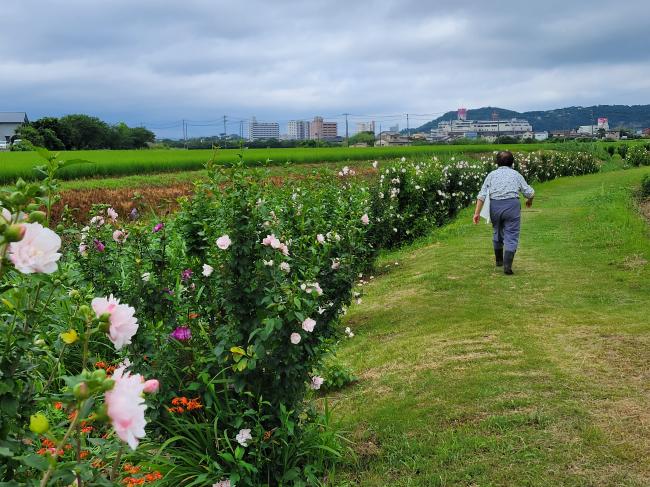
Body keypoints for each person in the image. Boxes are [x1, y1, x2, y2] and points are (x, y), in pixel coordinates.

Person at [472, 151, 534, 275]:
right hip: (512, 206)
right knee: (512, 234)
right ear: (512, 162)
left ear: (497, 162)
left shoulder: (491, 175)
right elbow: (530, 192)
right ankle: (507, 266)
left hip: (495, 206)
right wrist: (529, 201)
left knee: (497, 231)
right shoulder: (516, 174)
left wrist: (476, 213)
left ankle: (499, 260)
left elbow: (482, 195)